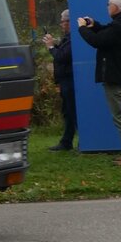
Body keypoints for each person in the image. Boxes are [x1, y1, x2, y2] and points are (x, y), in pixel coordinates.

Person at [77, 0, 121, 165]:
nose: (106, 6)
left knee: (120, 116)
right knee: (120, 115)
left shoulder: (119, 27)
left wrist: (82, 28)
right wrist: (93, 24)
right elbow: (105, 31)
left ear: (115, 7)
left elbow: (98, 41)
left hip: (116, 77)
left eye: (108, 4)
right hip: (120, 76)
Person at [43, 9, 76, 151]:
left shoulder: (72, 38)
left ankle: (69, 141)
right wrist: (55, 46)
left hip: (69, 79)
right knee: (67, 111)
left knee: (71, 111)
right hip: (65, 80)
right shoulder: (67, 38)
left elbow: (62, 57)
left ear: (69, 22)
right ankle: (67, 141)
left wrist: (51, 47)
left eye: (63, 21)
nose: (61, 24)